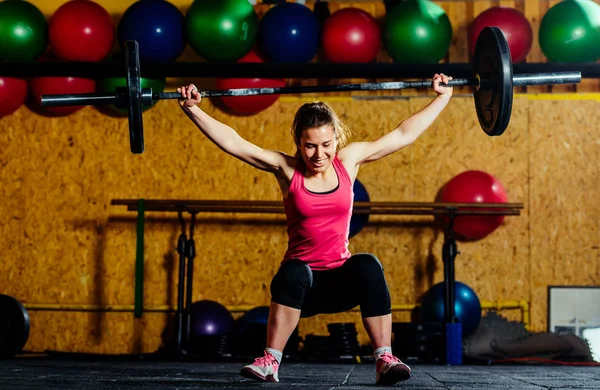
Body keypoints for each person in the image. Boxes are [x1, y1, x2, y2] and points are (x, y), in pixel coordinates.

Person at [177, 74, 453, 385]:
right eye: (309, 146)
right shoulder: (286, 170)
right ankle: (270, 361)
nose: (319, 155)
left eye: (326, 144)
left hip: (339, 284)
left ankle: (384, 359)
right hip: (299, 289)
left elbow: (403, 133)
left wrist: (442, 97)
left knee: (368, 265)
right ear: (298, 142)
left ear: (337, 138)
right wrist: (193, 109)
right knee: (296, 270)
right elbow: (234, 143)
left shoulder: (349, 162)